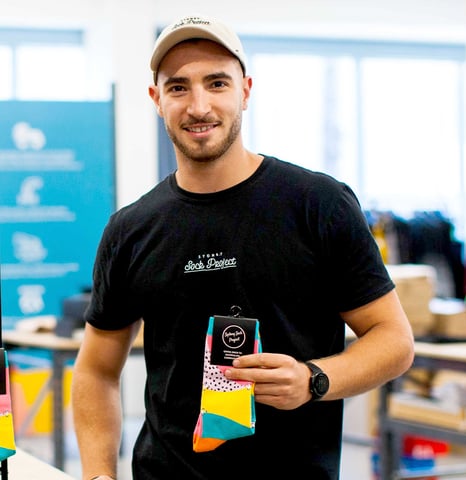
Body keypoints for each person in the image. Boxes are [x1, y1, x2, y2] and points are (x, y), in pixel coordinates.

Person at [72, 14, 415, 480]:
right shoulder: (131, 229)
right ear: (156, 99)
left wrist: (312, 379)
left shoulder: (318, 205)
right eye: (178, 87)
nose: (198, 106)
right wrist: (98, 474)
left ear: (246, 91)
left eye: (217, 83)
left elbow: (393, 340)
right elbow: (95, 371)